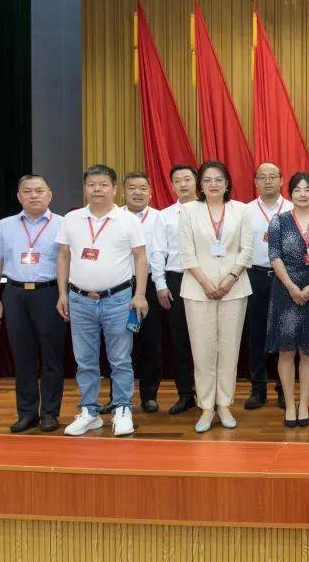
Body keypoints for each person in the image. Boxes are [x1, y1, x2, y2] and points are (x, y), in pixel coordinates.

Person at [56, 164, 149, 437]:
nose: (97, 189)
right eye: (92, 184)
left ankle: (123, 409)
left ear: (114, 189)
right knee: (85, 360)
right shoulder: (71, 218)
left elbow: (140, 258)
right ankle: (89, 412)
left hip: (118, 299)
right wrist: (62, 294)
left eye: (103, 184)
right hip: (79, 299)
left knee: (120, 359)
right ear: (85, 188)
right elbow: (63, 256)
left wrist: (140, 295)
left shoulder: (128, 219)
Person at [0, 174, 67, 433]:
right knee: (22, 356)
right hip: (15, 294)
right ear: (19, 196)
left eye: (39, 190)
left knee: (52, 356)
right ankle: (27, 413)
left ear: (50, 195)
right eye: (28, 191)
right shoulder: (4, 225)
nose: (34, 195)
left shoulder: (63, 225)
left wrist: (64, 294)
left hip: (49, 293)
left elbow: (69, 262)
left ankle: (50, 413)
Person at [178, 161, 254, 433]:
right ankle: (206, 406)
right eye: (207, 179)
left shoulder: (241, 210)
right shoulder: (188, 211)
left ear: (227, 183)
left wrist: (230, 278)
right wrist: (206, 283)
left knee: (229, 349)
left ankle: (224, 403)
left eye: (219, 179)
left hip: (234, 288)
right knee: (203, 351)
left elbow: (247, 249)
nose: (213, 184)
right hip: (198, 290)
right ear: (200, 184)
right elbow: (186, 252)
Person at [266, 172, 309, 428]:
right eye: (297, 190)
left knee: (308, 349)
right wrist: (292, 287)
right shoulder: (279, 221)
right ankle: (290, 405)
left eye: (308, 189)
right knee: (286, 350)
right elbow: (274, 256)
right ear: (290, 194)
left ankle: (304, 403)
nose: (303, 194)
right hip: (285, 290)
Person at [99, 171, 163, 414]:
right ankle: (117, 397)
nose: (138, 192)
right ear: (123, 191)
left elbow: (161, 253)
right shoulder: (112, 218)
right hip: (119, 286)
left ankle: (149, 396)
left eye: (143, 188)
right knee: (117, 345)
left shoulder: (159, 218)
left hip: (150, 285)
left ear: (151, 192)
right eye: (132, 188)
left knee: (150, 342)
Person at [150, 164, 199, 414]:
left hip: (206, 281)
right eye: (177, 180)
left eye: (187, 179)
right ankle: (185, 393)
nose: (183, 184)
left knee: (207, 339)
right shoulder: (164, 215)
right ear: (172, 186)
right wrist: (160, 284)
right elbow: (158, 252)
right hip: (177, 280)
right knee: (180, 340)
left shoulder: (209, 210)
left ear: (196, 181)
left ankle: (210, 394)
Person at [243, 162, 293, 410]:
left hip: (287, 278)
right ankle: (258, 388)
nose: (268, 181)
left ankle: (285, 389)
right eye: (262, 177)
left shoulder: (293, 208)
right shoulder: (245, 211)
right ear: (255, 182)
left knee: (286, 333)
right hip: (256, 275)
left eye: (273, 176)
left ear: (282, 180)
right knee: (257, 334)